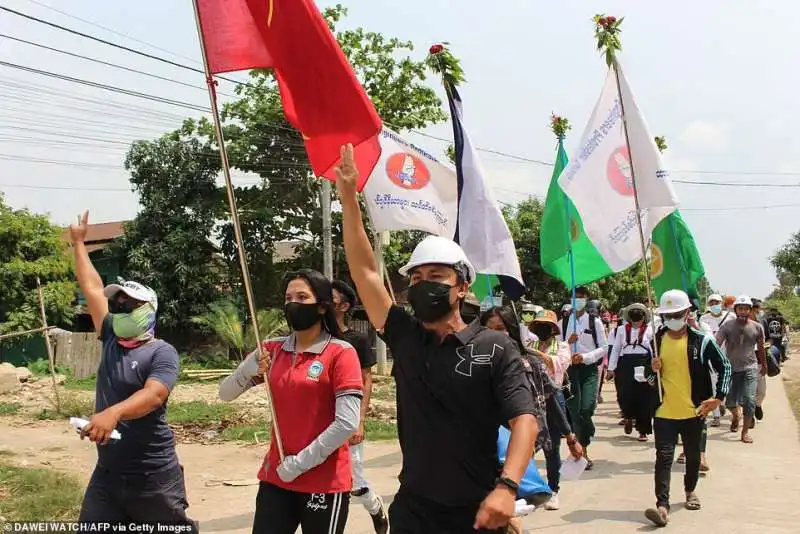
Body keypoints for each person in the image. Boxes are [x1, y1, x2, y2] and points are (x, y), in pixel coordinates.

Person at [335, 143, 539, 533]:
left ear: (461, 287)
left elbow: (524, 421)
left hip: (477, 510)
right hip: (415, 509)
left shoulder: (493, 347)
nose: (422, 285)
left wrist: (507, 488)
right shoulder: (406, 337)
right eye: (415, 278)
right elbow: (365, 271)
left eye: (436, 277)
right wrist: (348, 200)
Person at [68, 212, 194, 528]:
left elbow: (154, 395)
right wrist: (79, 243)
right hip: (108, 474)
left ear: (149, 311)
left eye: (130, 303)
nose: (121, 307)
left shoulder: (161, 352)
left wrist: (113, 413)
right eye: (119, 302)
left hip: (153, 476)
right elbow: (93, 288)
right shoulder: (110, 333)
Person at [219, 270, 363, 534]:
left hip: (323, 483)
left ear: (321, 307)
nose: (292, 304)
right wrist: (247, 370)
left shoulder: (341, 353)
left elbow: (346, 423)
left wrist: (298, 464)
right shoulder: (272, 350)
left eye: (301, 297)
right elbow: (225, 393)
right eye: (288, 298)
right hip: (276, 479)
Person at [644, 290, 731, 527]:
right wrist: (652, 370)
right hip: (664, 412)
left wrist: (718, 398)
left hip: (694, 412)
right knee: (663, 457)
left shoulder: (702, 340)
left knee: (693, 456)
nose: (672, 318)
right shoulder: (655, 340)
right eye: (667, 314)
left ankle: (690, 491)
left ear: (687, 313)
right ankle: (662, 505)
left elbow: (725, 367)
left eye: (677, 313)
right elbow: (648, 379)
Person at [331, 280, 389, 534]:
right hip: (320, 418)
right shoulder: (314, 337)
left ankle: (374, 506)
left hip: (348, 417)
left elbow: (366, 379)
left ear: (344, 306)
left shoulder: (355, 340)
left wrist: (360, 420)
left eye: (329, 298)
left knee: (353, 482)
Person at [526, 309, 583, 511]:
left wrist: (534, 354)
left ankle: (553, 490)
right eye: (538, 325)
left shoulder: (562, 346)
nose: (542, 329)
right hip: (531, 397)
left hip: (552, 396)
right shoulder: (529, 344)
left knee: (552, 447)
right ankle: (530, 489)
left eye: (545, 325)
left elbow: (556, 364)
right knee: (527, 445)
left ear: (552, 329)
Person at [561, 286, 607, 469]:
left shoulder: (594, 322)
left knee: (586, 408)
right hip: (570, 371)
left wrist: (586, 357)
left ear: (587, 299)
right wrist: (567, 343)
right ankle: (583, 452)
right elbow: (556, 346)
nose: (577, 300)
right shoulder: (564, 322)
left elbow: (604, 347)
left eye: (581, 297)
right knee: (574, 410)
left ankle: (587, 433)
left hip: (588, 370)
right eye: (575, 297)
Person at [715, 295, 767, 443]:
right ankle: (736, 416)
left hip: (750, 367)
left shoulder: (757, 327)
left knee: (750, 400)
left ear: (750, 310)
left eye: (746, 309)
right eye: (740, 308)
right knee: (730, 402)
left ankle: (744, 432)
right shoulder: (727, 326)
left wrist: (764, 365)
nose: (743, 311)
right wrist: (712, 360)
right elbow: (717, 343)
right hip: (731, 369)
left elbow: (761, 348)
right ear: (736, 310)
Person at [607, 303, 655, 442]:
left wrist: (654, 366)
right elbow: (616, 349)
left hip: (644, 362)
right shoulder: (621, 330)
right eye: (634, 319)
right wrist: (611, 368)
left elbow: (654, 349)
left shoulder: (650, 330)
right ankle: (628, 416)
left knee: (644, 396)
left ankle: (643, 431)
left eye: (639, 319)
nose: (636, 322)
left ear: (644, 318)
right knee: (625, 393)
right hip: (626, 363)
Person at [698, 294, 734, 427]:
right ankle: (716, 416)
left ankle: (722, 403)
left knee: (727, 384)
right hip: (712, 358)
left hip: (728, 356)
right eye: (712, 302)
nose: (715, 304)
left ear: (722, 303)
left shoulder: (731, 317)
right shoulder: (703, 318)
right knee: (714, 385)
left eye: (717, 302)